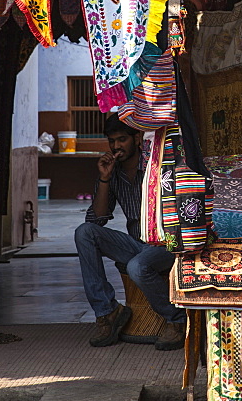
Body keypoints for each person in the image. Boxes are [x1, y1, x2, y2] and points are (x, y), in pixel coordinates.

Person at [74, 114, 186, 350]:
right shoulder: (113, 171)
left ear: (137, 139)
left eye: (122, 139)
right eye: (112, 141)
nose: (116, 146)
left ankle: (176, 319)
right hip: (137, 243)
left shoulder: (157, 166)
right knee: (85, 232)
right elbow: (96, 219)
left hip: (166, 244)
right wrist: (104, 179)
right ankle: (108, 311)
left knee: (138, 266)